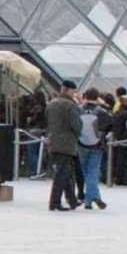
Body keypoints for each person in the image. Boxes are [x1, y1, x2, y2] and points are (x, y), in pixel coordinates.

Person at [46, 79, 84, 211]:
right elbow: (77, 125)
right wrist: (78, 134)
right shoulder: (70, 105)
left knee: (66, 172)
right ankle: (54, 202)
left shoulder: (51, 104)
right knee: (62, 173)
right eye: (74, 91)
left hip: (53, 141)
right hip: (67, 143)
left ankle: (72, 200)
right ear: (69, 90)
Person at [78, 88, 111, 210]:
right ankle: (92, 197)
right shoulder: (102, 111)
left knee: (84, 171)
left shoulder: (78, 109)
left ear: (85, 96)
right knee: (93, 171)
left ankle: (90, 198)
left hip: (81, 143)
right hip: (97, 144)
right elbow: (110, 124)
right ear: (98, 97)